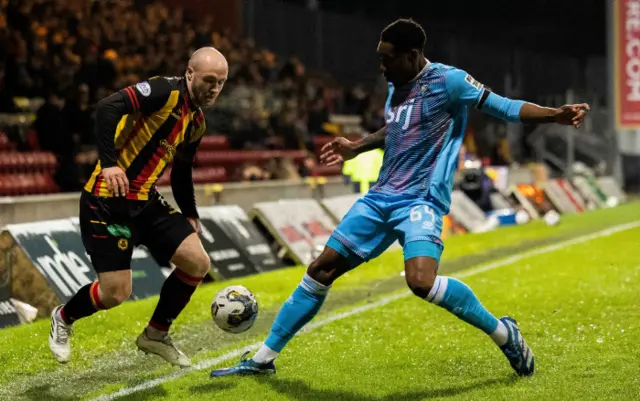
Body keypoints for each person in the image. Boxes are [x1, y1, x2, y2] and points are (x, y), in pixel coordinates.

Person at [210, 19, 589, 378]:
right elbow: (397, 128)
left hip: (420, 201)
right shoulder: (398, 87)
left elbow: (502, 105)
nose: (381, 66)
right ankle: (263, 359)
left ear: (412, 55)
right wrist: (357, 147)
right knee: (321, 269)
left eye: (386, 58)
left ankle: (504, 335)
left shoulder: (450, 81)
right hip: (379, 198)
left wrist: (555, 114)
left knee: (421, 282)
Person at [48, 47, 229, 368]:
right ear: (190, 73)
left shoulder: (196, 121)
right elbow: (107, 107)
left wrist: (190, 213)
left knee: (197, 262)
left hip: (145, 201)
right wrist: (109, 164)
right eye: (209, 80)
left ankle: (155, 335)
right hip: (106, 201)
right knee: (115, 294)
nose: (214, 88)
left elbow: (183, 170)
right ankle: (63, 317)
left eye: (221, 83)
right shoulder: (163, 91)